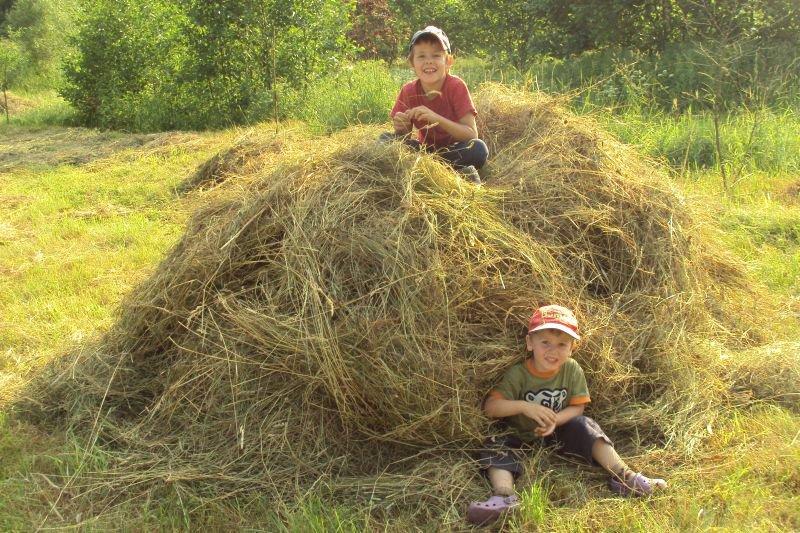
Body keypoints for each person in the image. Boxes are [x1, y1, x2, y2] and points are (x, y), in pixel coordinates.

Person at [467, 304, 667, 526]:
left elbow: (577, 407)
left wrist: (555, 420)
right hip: (520, 436)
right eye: (545, 343)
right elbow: (491, 407)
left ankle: (625, 477)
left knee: (586, 425)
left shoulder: (572, 369)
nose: (553, 351)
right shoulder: (519, 374)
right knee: (495, 442)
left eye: (562, 344)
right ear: (529, 343)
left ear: (572, 348)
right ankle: (504, 497)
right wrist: (524, 406)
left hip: (558, 435)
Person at [380, 26, 488, 185]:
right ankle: (446, 172)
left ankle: (436, 173)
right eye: (421, 56)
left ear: (448, 61)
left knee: (478, 149)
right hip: (424, 153)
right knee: (385, 140)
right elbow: (403, 137)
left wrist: (436, 118)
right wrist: (401, 127)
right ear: (412, 62)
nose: (428, 61)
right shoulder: (408, 90)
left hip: (454, 151)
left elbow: (471, 135)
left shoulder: (456, 86)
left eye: (436, 55)